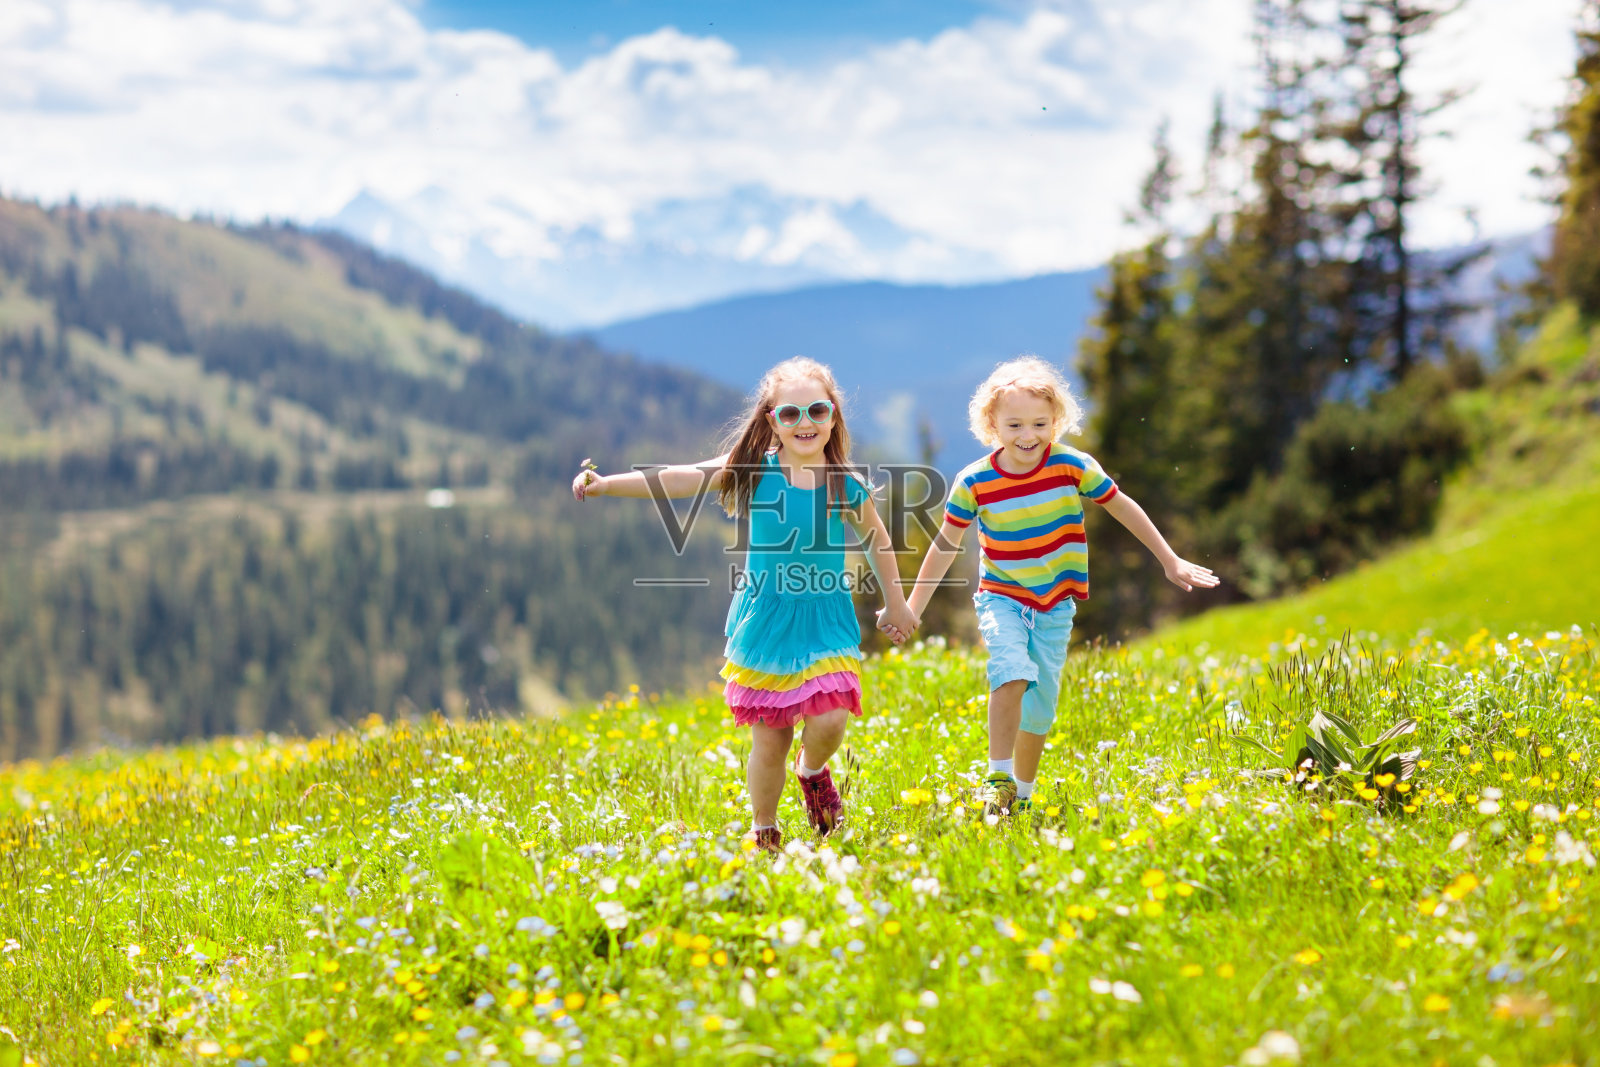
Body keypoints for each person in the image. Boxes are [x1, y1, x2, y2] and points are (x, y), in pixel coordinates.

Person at [574, 357, 917, 850]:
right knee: (771, 738)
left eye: (817, 411)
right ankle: (765, 829)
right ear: (771, 420)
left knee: (831, 717)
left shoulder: (846, 484)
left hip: (825, 616)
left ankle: (813, 770)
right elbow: (679, 479)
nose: (805, 423)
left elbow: (877, 542)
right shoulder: (755, 471)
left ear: (834, 416)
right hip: (768, 621)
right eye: (790, 414)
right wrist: (607, 485)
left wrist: (897, 604)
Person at [901, 356, 1218, 817]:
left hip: (1055, 605)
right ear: (991, 425)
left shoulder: (1071, 465)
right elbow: (946, 544)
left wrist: (1169, 560)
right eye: (1014, 425)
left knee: (1041, 708)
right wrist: (912, 607)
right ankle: (997, 778)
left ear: (1056, 421)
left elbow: (1121, 506)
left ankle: (1022, 799)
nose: (1027, 436)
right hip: (1002, 596)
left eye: (1039, 423)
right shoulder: (973, 481)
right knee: (1010, 669)